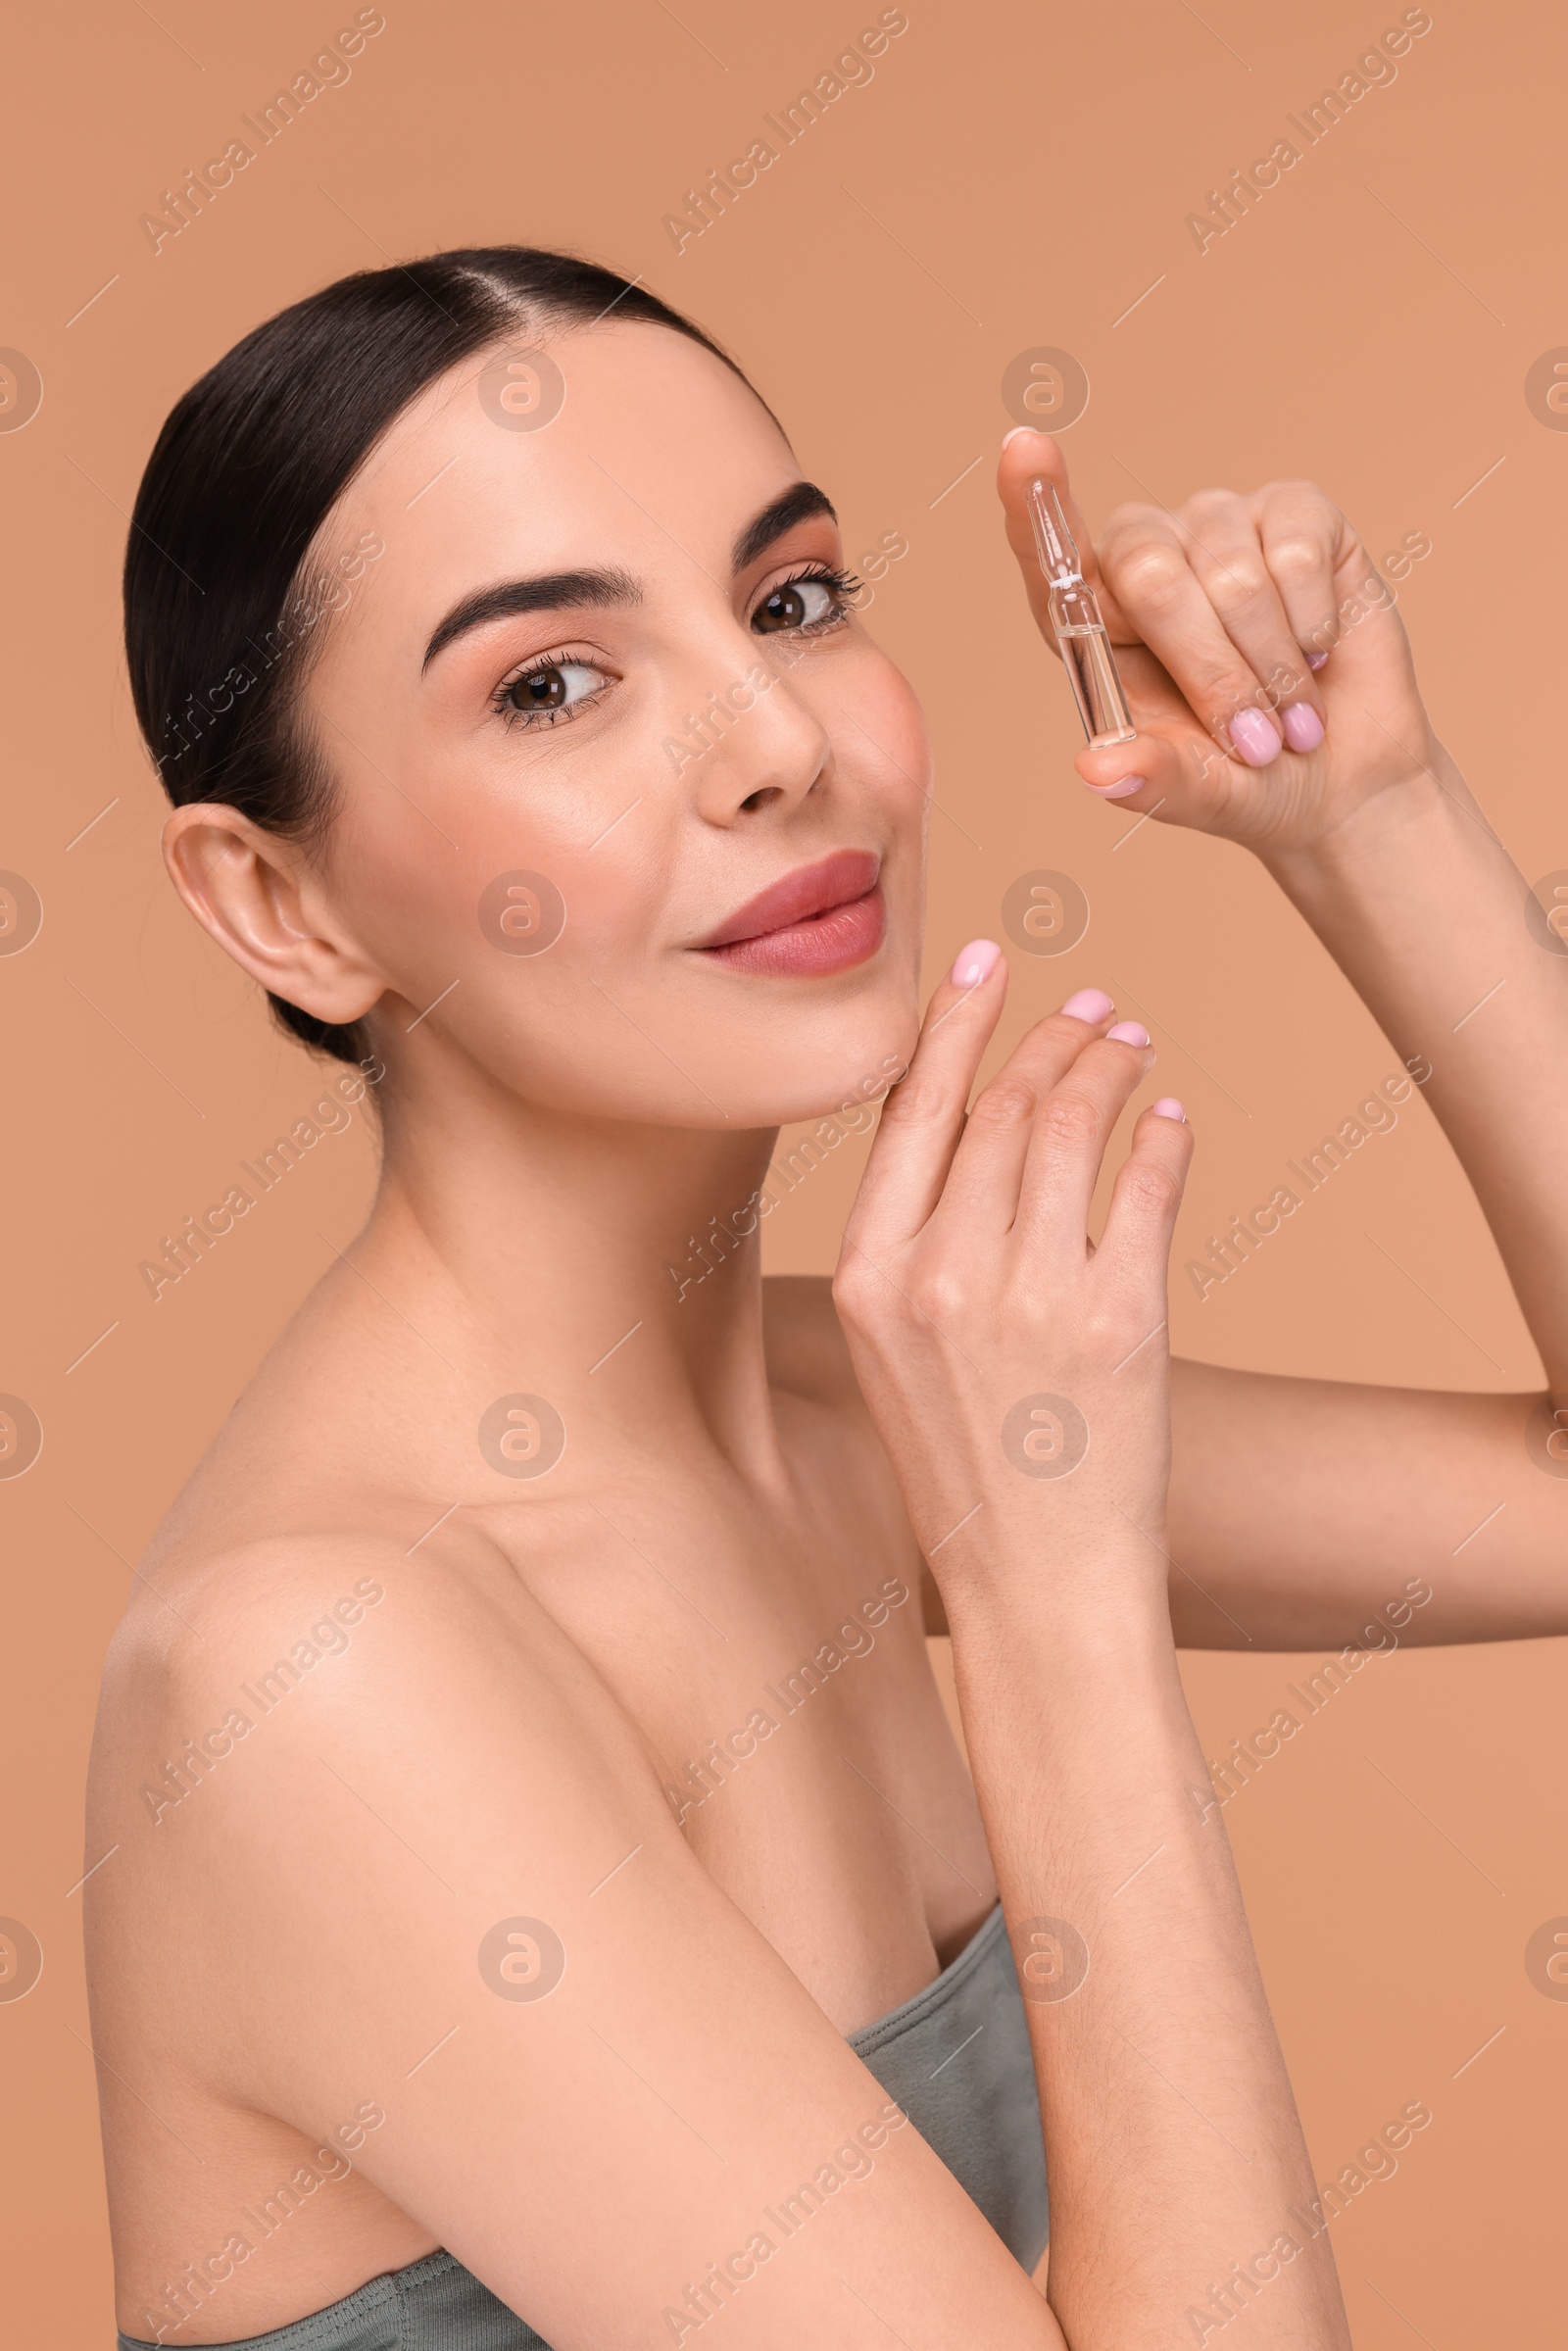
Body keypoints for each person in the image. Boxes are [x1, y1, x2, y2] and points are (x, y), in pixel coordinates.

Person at [87, 246, 1565, 2351]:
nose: (776, 740)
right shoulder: (317, 1681)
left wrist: (1374, 822)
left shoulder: (841, 1410)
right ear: (279, 900)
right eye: (548, 685)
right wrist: (1052, 1603)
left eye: (788, 602)